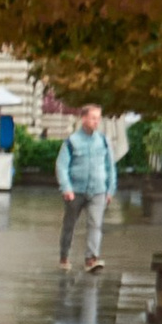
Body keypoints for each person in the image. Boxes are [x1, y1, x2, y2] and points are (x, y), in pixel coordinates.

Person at [55, 104, 116, 273]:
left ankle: (91, 259)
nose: (96, 121)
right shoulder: (72, 141)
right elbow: (61, 166)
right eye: (93, 118)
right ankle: (64, 256)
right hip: (75, 191)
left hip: (98, 190)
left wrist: (110, 189)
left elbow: (110, 166)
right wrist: (66, 188)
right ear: (84, 118)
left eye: (98, 118)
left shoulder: (103, 141)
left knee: (95, 224)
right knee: (69, 225)